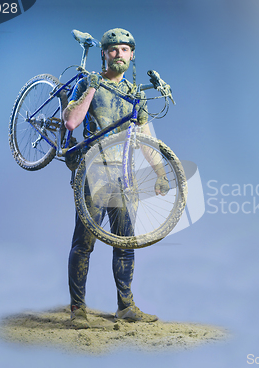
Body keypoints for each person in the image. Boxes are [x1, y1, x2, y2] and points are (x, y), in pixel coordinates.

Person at [63, 28, 168, 328]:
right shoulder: (88, 82)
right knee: (84, 242)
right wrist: (93, 88)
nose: (119, 54)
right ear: (104, 54)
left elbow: (146, 137)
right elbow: (71, 121)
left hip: (121, 175)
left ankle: (126, 306)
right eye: (113, 50)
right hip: (92, 170)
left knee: (125, 241)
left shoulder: (135, 95)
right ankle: (77, 309)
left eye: (124, 50)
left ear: (132, 55)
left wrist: (161, 173)